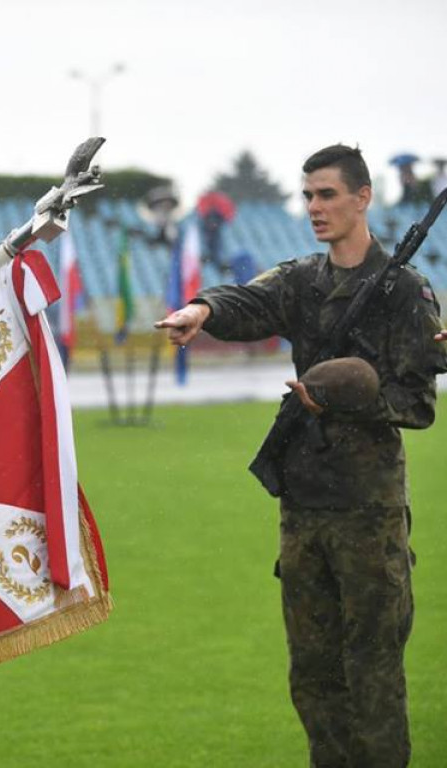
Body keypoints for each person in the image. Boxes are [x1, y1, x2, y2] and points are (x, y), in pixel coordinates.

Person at [156, 145, 447, 767]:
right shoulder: (301, 280)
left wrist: (343, 399)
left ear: (362, 197)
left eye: (328, 195)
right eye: (308, 195)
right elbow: (247, 302)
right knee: (312, 679)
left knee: (372, 675)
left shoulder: (405, 291)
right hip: (303, 508)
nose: (314, 207)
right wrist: (202, 310)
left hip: (368, 512)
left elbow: (417, 403)